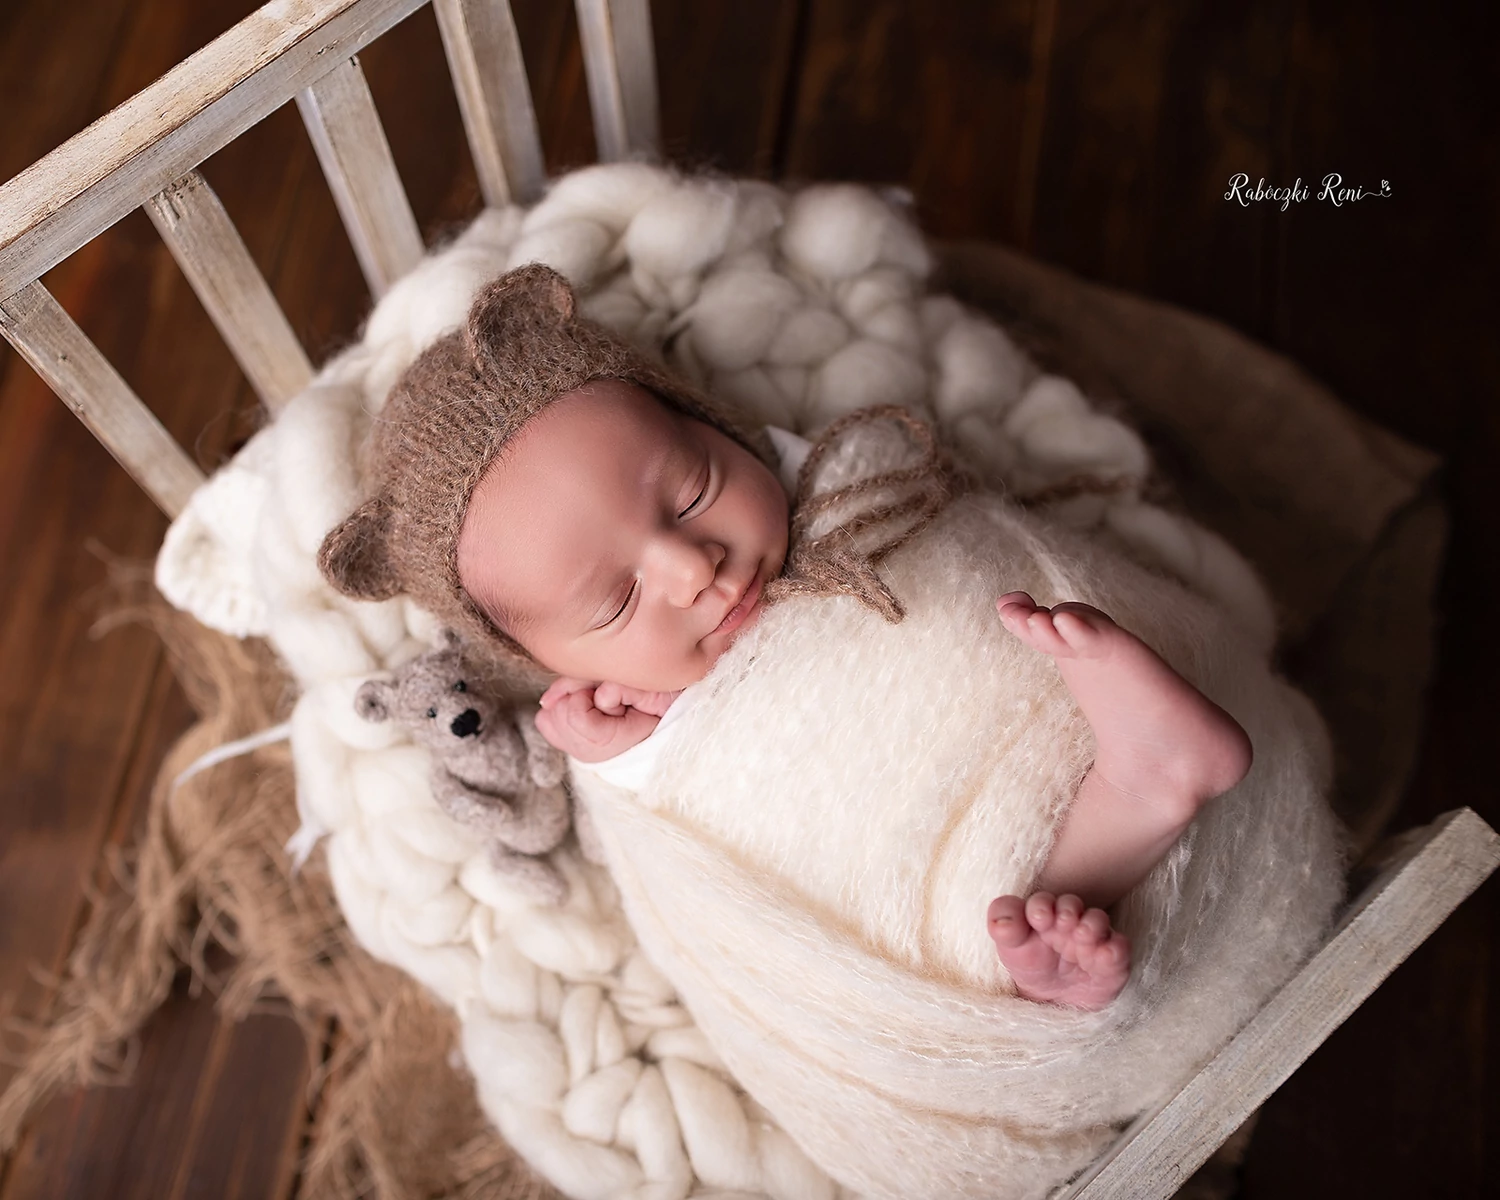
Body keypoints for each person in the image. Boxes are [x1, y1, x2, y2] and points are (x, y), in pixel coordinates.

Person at [321, 263, 1253, 1012]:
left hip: (988, 711)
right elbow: (708, 848)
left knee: (995, 856)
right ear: (553, 669)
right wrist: (626, 760)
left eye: (691, 493)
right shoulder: (634, 726)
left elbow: (920, 524)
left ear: (718, 426)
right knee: (941, 937)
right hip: (917, 867)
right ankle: (1061, 934)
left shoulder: (839, 489)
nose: (692, 568)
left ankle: (1133, 788)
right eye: (615, 604)